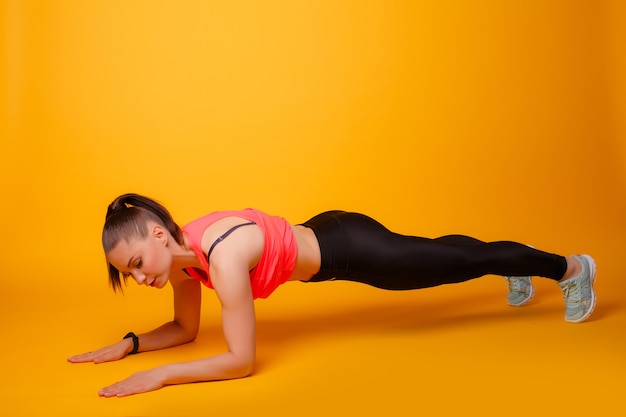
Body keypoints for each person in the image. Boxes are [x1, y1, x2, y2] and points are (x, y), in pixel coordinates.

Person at [68, 193, 597, 397]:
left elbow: (241, 360)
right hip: (327, 236)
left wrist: (159, 376)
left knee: (449, 263)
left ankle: (569, 267)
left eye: (137, 264)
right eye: (128, 274)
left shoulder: (222, 258)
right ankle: (514, 259)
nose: (139, 279)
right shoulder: (184, 261)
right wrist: (131, 345)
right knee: (448, 256)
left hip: (352, 250)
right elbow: (185, 330)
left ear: (159, 235)